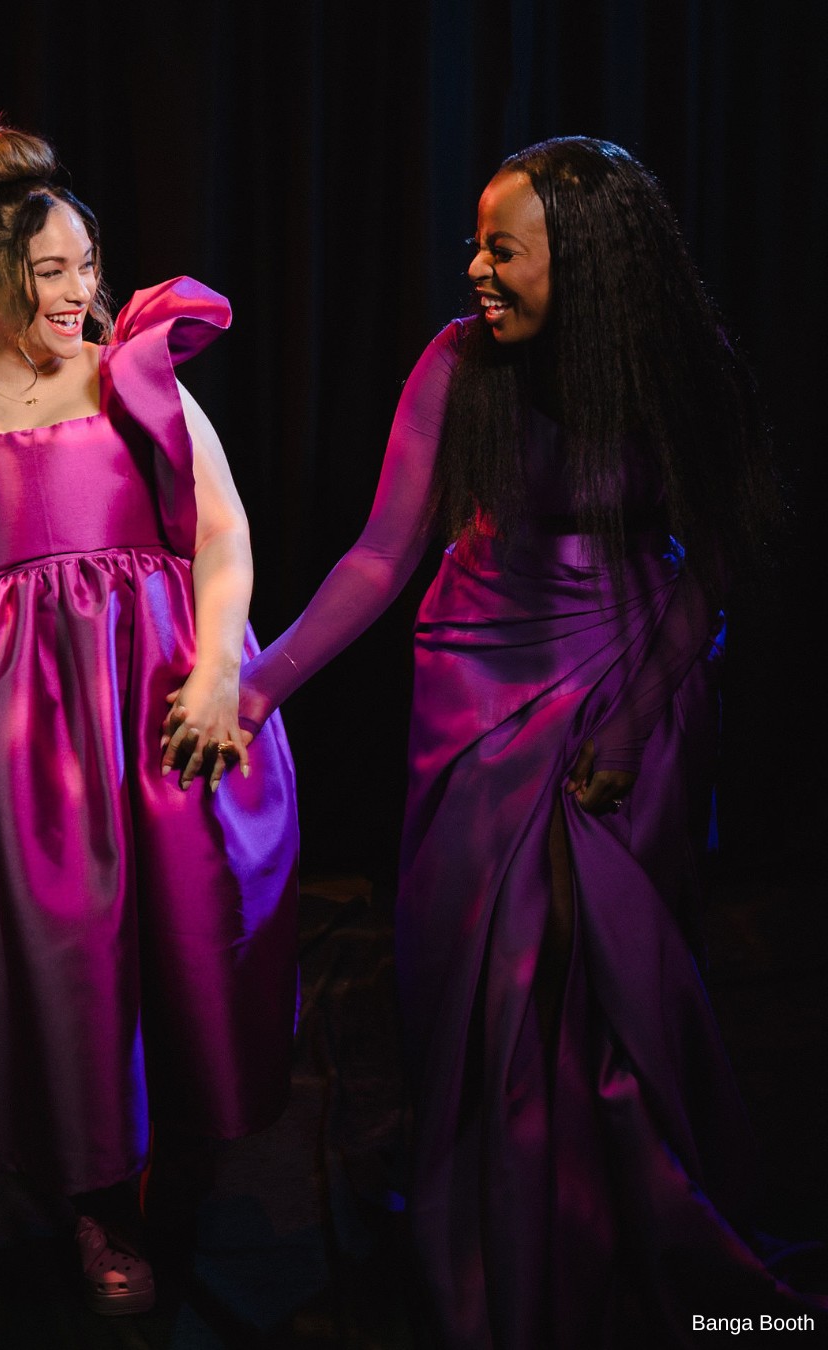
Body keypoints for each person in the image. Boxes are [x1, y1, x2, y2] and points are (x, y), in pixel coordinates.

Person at [214, 138, 824, 1346]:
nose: (476, 271)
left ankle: (613, 1216)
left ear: (584, 260)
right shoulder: (457, 362)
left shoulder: (682, 366)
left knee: (601, 973)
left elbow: (710, 572)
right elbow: (382, 553)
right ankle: (492, 1216)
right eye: (476, 245)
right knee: (476, 966)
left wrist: (635, 719)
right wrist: (259, 686)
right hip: (480, 674)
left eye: (505, 249)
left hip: (629, 666)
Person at [0, 122, 299, 1316]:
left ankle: (172, 1169)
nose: (80, 292)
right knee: (64, 968)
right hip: (15, 750)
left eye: (88, 265)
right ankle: (98, 1201)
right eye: (51, 271)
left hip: (152, 709)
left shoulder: (135, 377)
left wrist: (218, 673)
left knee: (180, 947)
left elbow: (224, 532)